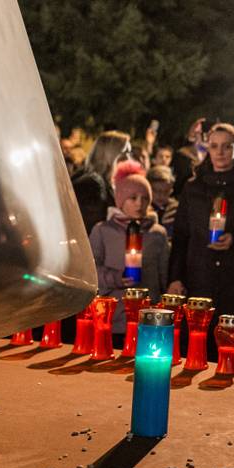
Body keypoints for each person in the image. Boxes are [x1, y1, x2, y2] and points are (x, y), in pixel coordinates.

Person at [167, 123, 234, 366]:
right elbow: (182, 236)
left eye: (227, 147)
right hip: (200, 279)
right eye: (214, 146)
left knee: (231, 350)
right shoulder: (193, 187)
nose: (220, 152)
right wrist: (176, 278)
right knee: (197, 348)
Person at [89, 160, 168, 345]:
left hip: (148, 318)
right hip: (114, 317)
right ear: (121, 200)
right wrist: (116, 277)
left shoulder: (157, 233)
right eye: (133, 198)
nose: (139, 204)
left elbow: (163, 275)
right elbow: (91, 271)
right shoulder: (102, 230)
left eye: (145, 198)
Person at [85, 130, 132, 208]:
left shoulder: (111, 184)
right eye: (123, 153)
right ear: (109, 154)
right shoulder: (93, 184)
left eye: (129, 153)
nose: (128, 159)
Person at [146, 165, 179, 238]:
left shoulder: (175, 210)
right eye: (156, 191)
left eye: (166, 191)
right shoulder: (142, 208)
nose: (161, 195)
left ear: (171, 190)